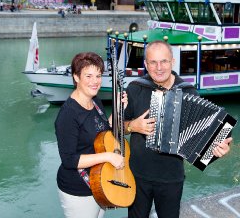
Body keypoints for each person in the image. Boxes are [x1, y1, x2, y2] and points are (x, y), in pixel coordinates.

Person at [124, 40, 233, 218]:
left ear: (172, 62)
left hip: (171, 179)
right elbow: (117, 126)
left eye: (164, 61)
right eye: (153, 62)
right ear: (145, 64)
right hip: (137, 175)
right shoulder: (135, 88)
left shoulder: (189, 92)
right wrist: (132, 126)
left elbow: (206, 137)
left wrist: (219, 149)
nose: (159, 67)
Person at [55, 52, 127, 218]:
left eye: (98, 75)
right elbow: (69, 160)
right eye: (88, 76)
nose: (95, 81)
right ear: (76, 77)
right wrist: (108, 156)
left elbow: (104, 131)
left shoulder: (94, 100)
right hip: (78, 188)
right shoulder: (68, 114)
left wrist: (118, 109)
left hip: (99, 181)